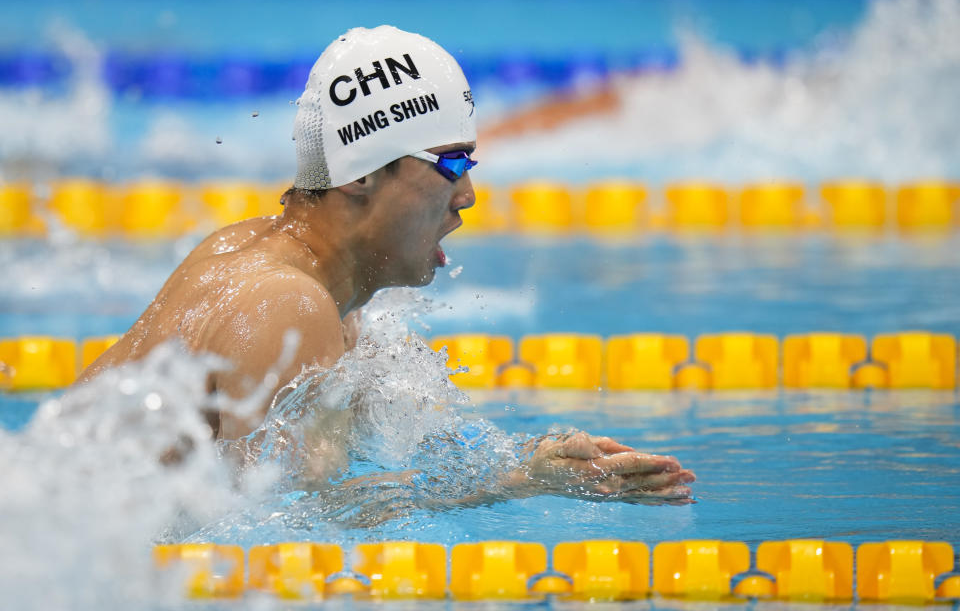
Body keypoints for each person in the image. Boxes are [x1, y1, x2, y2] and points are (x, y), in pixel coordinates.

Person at [78, 26, 695, 503]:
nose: (468, 194)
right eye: (450, 164)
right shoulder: (284, 305)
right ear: (361, 174)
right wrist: (517, 484)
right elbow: (286, 526)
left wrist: (532, 456)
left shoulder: (286, 270)